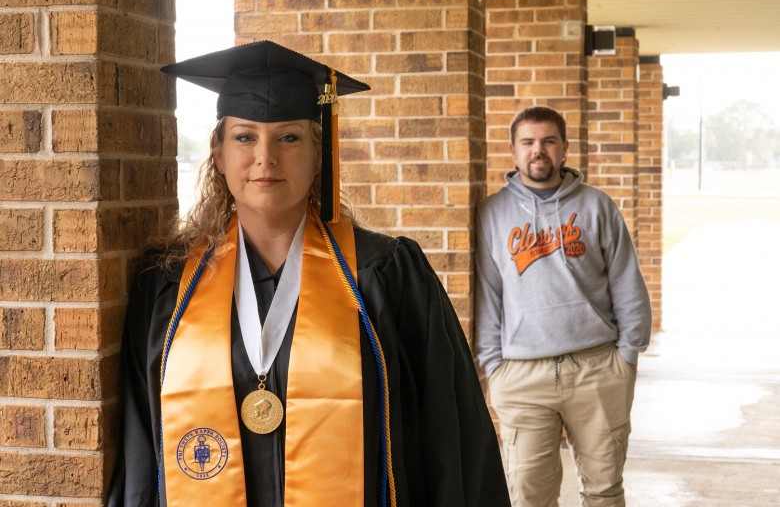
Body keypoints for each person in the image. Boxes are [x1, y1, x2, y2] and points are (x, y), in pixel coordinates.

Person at [107, 40, 510, 507]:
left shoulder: (385, 275)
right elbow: (141, 455)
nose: (265, 157)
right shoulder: (168, 289)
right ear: (217, 152)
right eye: (244, 137)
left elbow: (449, 433)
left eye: (289, 137)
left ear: (320, 154)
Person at [474, 106, 652, 506]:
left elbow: (627, 281)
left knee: (604, 491)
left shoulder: (597, 206)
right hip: (522, 376)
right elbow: (488, 293)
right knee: (529, 496)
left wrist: (627, 356)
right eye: (529, 143)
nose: (539, 151)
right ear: (513, 151)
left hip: (597, 370)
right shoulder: (491, 213)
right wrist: (493, 366)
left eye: (549, 141)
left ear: (565, 148)